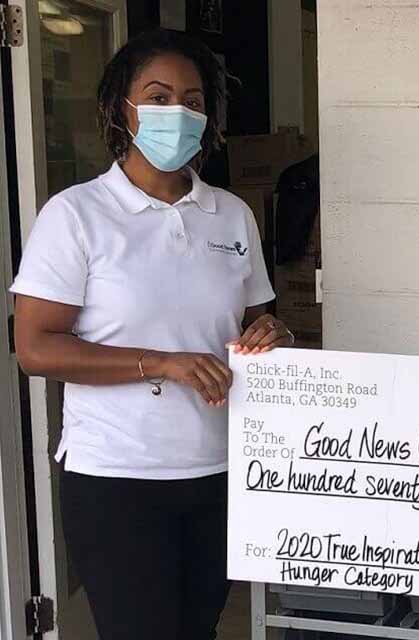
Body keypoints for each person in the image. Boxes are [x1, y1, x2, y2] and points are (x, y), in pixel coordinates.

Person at [11, 29, 292, 640]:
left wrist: (273, 333)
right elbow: (34, 348)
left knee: (199, 630)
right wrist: (160, 362)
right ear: (122, 109)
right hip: (117, 479)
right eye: (158, 96)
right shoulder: (76, 215)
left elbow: (257, 322)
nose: (178, 114)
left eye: (192, 101)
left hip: (219, 470)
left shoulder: (231, 212)